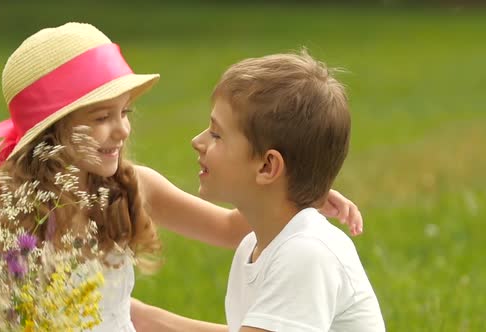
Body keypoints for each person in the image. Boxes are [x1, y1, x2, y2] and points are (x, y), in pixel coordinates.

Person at [0, 22, 364, 331]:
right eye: (102, 117)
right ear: (52, 132)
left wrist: (300, 192)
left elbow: (230, 228)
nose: (122, 130)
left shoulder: (132, 186)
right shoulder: (20, 215)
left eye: (124, 113)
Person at [131, 51, 384, 331]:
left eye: (216, 134)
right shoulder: (256, 245)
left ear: (267, 166)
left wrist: (144, 320)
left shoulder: (307, 253)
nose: (197, 141)